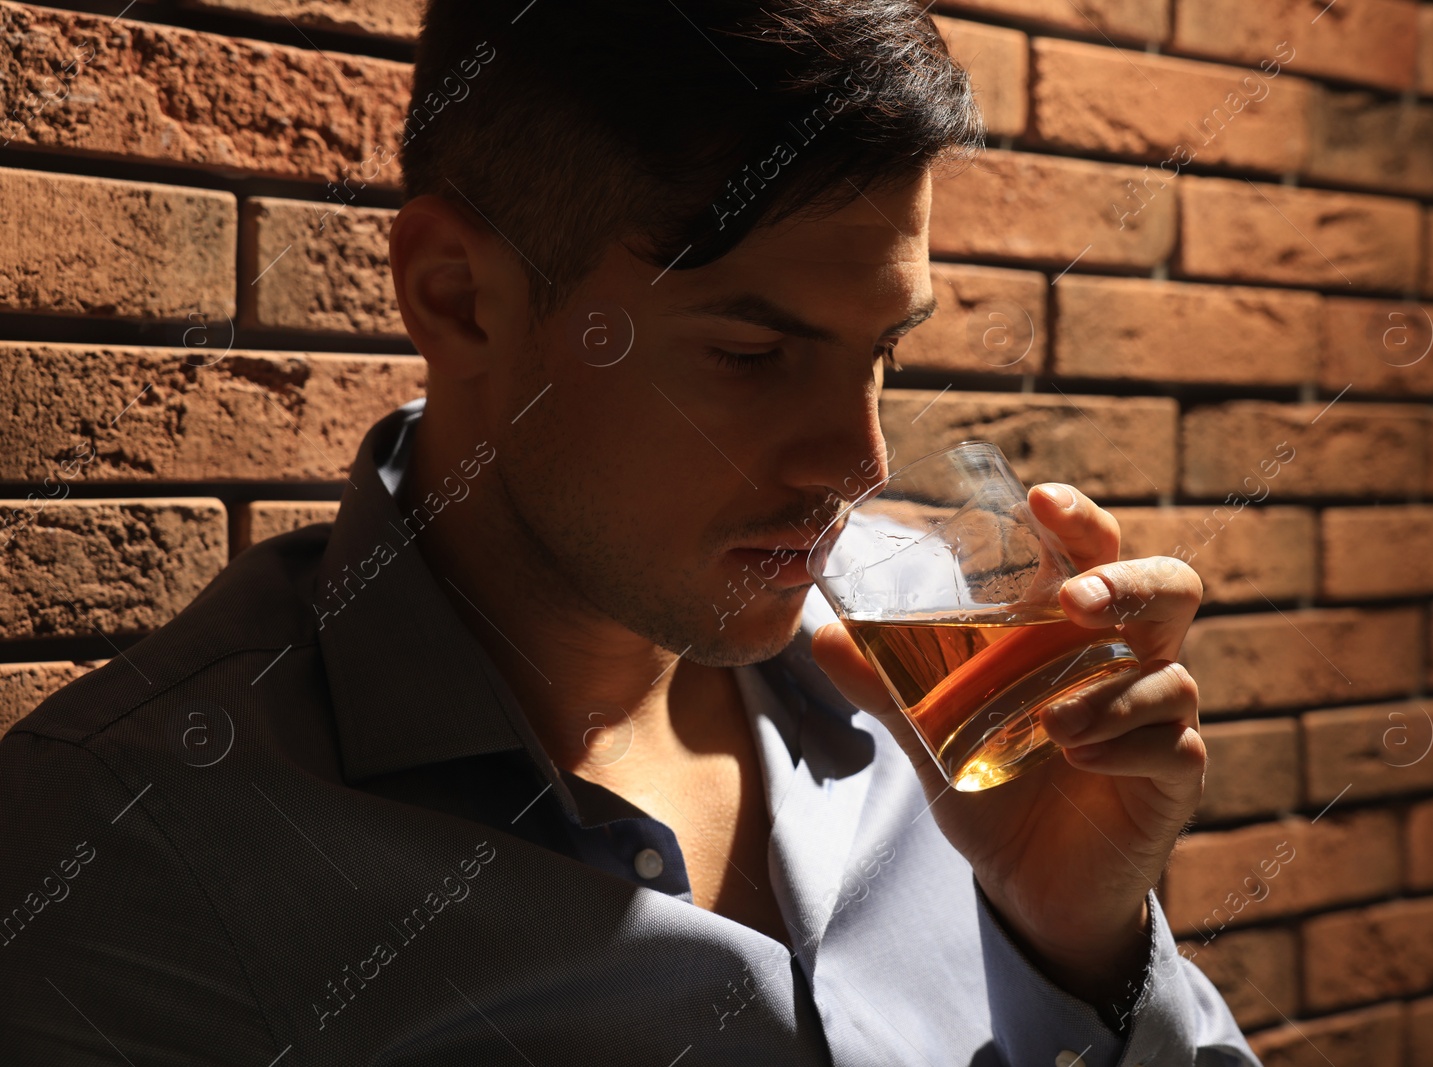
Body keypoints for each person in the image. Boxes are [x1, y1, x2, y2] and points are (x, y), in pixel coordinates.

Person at [0, 2, 1261, 1064]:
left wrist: (1081, 950)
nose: (860, 465)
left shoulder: (941, 676)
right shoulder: (133, 850)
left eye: (884, 350)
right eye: (753, 353)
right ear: (460, 298)